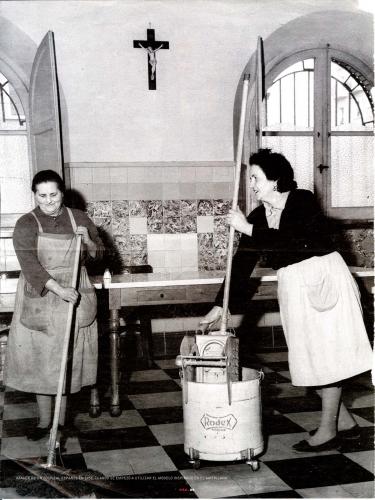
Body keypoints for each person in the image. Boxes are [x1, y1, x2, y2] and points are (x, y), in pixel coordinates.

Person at [201, 148, 373, 452]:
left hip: (324, 281)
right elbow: (242, 263)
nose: (251, 184)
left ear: (275, 179)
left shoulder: (302, 200)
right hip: (294, 285)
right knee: (308, 358)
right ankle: (344, 424)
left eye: (255, 178)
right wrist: (221, 303)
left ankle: (328, 430)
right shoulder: (258, 216)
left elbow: (300, 243)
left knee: (326, 358)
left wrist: (249, 229)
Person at [4, 170, 104, 441]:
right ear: (34, 195)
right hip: (44, 296)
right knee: (43, 363)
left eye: (54, 194)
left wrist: (89, 242)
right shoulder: (26, 223)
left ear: (63, 192)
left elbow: (99, 257)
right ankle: (44, 422)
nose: (48, 201)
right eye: (42, 195)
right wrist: (60, 290)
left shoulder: (80, 218)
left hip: (76, 295)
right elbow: (31, 267)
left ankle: (60, 424)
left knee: (67, 361)